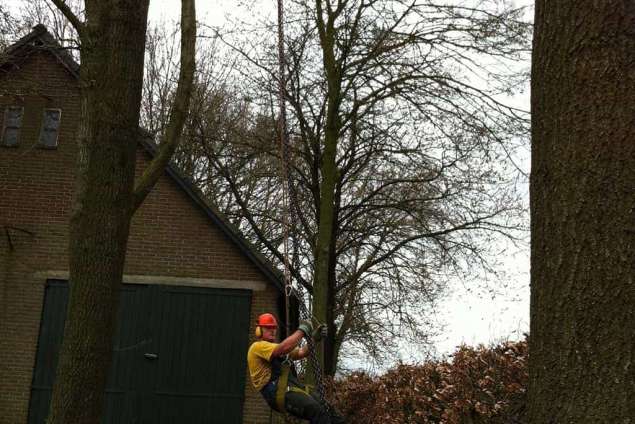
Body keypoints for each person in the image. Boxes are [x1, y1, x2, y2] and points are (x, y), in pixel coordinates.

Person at [247, 313, 345, 424]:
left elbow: (302, 352)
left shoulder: (276, 348)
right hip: (276, 392)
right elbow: (283, 348)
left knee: (328, 409)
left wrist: (314, 338)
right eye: (268, 328)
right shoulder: (257, 347)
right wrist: (302, 330)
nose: (272, 330)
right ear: (259, 330)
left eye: (274, 328)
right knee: (316, 410)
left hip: (288, 386)